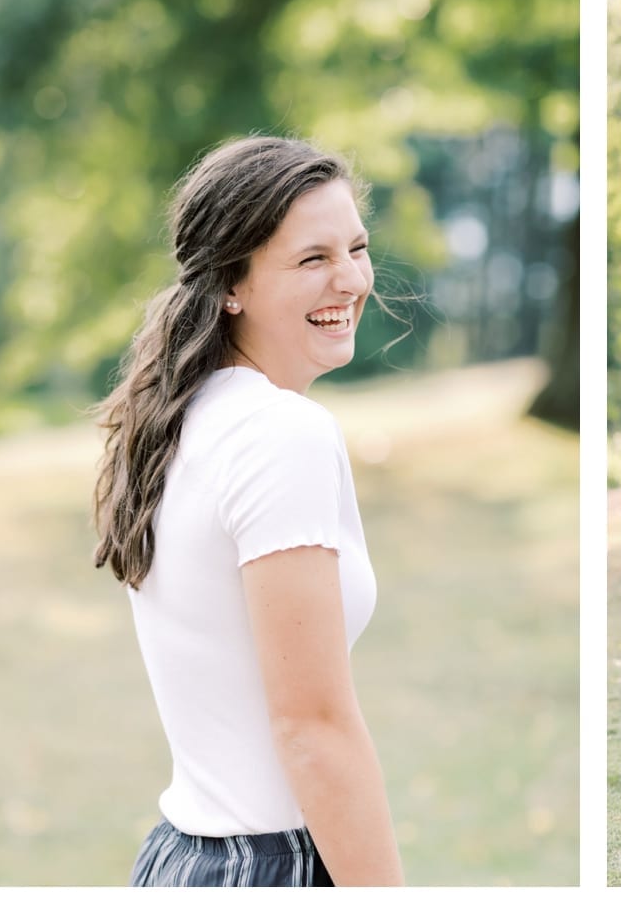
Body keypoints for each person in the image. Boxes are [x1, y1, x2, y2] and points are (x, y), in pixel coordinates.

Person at [92, 135, 404, 887]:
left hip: (183, 856)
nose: (352, 279)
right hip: (270, 867)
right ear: (233, 282)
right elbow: (312, 727)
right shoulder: (279, 434)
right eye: (312, 259)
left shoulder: (180, 415)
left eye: (356, 248)